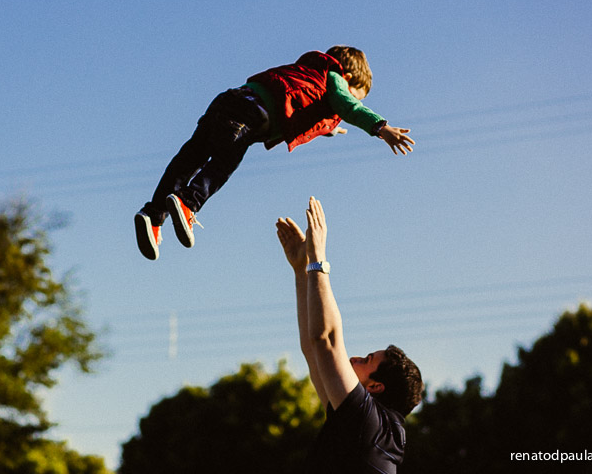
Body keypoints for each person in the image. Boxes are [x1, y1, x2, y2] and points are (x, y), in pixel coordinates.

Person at [134, 46, 415, 260]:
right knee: (224, 162)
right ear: (348, 78)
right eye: (357, 93)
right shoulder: (335, 78)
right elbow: (348, 106)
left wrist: (328, 129)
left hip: (228, 100)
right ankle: (188, 202)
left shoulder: (306, 71)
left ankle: (153, 215)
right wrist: (381, 127)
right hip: (251, 115)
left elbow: (302, 102)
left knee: (190, 157)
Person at [276, 197, 423, 473]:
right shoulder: (363, 424)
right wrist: (301, 269)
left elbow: (326, 340)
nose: (354, 358)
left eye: (367, 360)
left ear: (375, 387)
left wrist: (318, 259)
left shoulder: (370, 424)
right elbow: (314, 350)